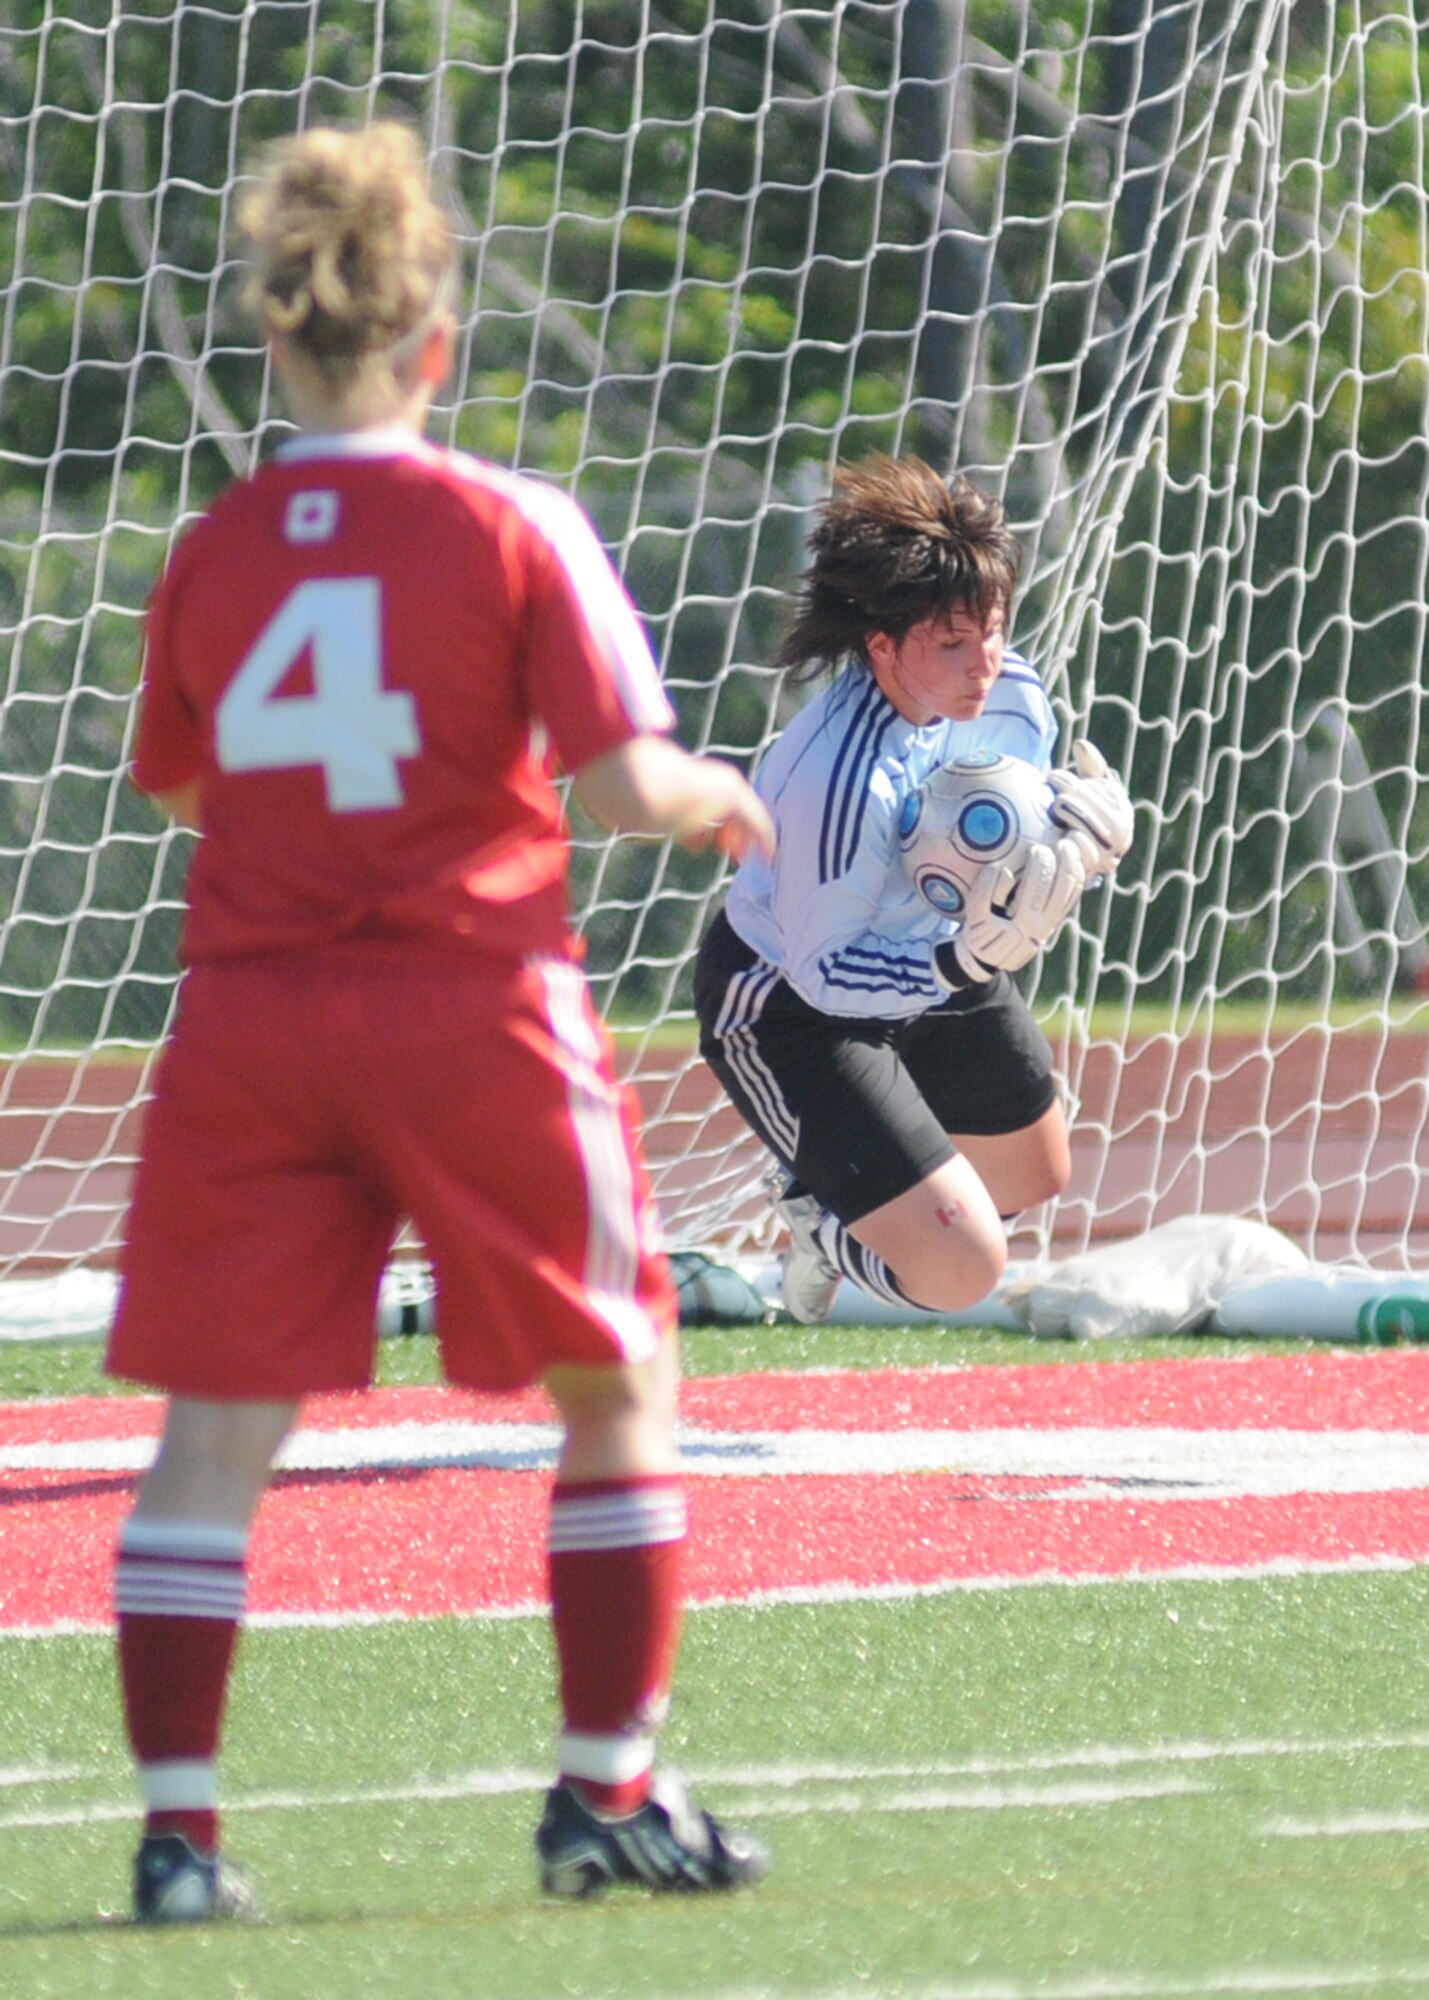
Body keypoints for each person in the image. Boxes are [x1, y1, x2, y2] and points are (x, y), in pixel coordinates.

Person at [107, 121, 775, 1924]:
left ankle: (179, 1844)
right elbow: (622, 781)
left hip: (250, 1022)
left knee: (212, 1437)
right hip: (471, 1003)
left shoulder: (216, 549)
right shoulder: (510, 521)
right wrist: (716, 792)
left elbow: (182, 783)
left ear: (275, 335)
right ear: (439, 341)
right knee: (615, 1382)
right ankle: (604, 1794)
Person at [693, 455, 1133, 1325]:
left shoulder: (1009, 695)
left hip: (927, 951)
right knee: (963, 1269)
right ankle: (822, 1222)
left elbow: (1013, 833)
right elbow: (826, 975)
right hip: (791, 1005)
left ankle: (853, 1192)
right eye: (952, 641)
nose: (984, 662)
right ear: (882, 646)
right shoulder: (838, 779)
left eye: (993, 629)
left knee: (1034, 1171)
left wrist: (1082, 840)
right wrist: (960, 960)